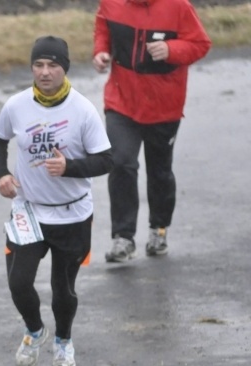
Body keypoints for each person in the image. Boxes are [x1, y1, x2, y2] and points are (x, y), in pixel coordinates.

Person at [0, 36, 113, 366]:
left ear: (64, 68)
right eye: (39, 65)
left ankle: (64, 342)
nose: (45, 72)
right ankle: (34, 330)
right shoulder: (17, 105)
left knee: (62, 290)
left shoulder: (82, 110)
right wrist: (1, 174)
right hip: (29, 211)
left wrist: (69, 167)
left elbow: (106, 161)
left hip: (73, 213)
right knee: (18, 283)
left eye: (52, 65)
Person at [93, 0, 211, 262]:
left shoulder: (179, 7)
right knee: (121, 163)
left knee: (159, 170)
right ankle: (123, 238)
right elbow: (103, 26)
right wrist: (101, 51)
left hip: (164, 106)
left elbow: (201, 45)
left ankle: (159, 230)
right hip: (121, 102)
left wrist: (171, 49)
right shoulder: (111, 4)